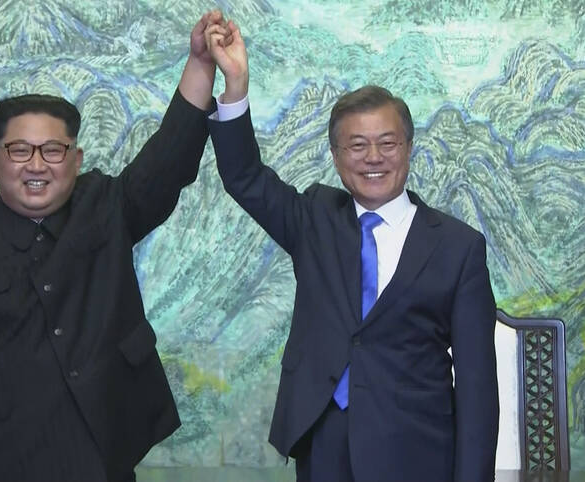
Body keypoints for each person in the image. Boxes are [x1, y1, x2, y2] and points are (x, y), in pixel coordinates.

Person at [0, 11, 228, 482]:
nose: (37, 164)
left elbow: (169, 158)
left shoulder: (106, 209)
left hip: (96, 467)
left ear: (75, 159)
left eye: (53, 150)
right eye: (19, 150)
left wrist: (201, 62)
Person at [204, 22, 499, 481]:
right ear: (338, 157)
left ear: (408, 149)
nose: (373, 157)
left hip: (418, 451)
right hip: (324, 445)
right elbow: (245, 177)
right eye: (357, 145)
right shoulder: (315, 218)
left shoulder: (459, 247)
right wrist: (236, 86)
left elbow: (479, 388)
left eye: (387, 143)